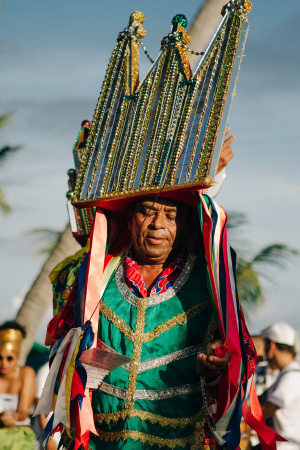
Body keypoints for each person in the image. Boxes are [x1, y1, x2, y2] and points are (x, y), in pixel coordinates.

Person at [261, 322, 300, 450]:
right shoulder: (287, 373)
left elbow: (267, 410)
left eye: (265, 348)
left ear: (272, 346)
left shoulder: (292, 376)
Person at [0, 321, 36, 449]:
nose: (4, 363)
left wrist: (13, 417)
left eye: (9, 358)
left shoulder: (26, 373)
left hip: (19, 434)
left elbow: (23, 412)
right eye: (0, 357)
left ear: (17, 356)